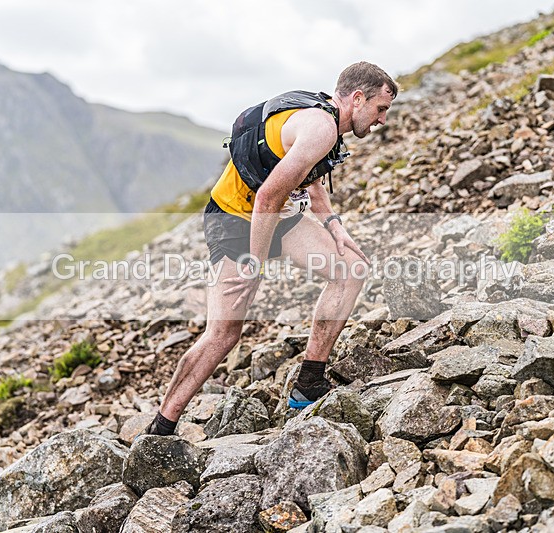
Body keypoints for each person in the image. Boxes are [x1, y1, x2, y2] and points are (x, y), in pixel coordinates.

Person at [147, 61, 397, 436]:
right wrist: (254, 266)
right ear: (358, 98)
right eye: (380, 109)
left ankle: (308, 383)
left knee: (351, 270)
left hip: (280, 218)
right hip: (233, 220)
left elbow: (307, 175)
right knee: (225, 333)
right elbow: (266, 198)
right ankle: (160, 427)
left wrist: (332, 224)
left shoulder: (321, 115)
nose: (380, 121)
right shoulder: (322, 128)